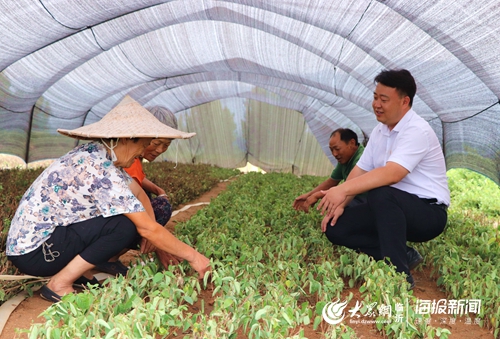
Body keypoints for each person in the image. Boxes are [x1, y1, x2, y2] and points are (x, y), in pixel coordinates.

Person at [6, 95, 210, 302]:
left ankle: (81, 274)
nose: (142, 153)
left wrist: (154, 238)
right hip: (35, 252)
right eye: (144, 145)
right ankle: (58, 284)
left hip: (35, 244)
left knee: (128, 220)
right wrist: (195, 257)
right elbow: (145, 227)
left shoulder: (99, 154)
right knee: (124, 225)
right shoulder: (101, 170)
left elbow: (138, 193)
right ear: (127, 139)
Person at [317, 69, 450, 289]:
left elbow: (392, 173)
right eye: (375, 97)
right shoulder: (380, 132)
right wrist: (341, 204)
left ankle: (399, 276)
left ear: (404, 101)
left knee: (381, 192)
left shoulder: (417, 130)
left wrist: (341, 190)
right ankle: (404, 253)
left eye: (384, 99)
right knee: (335, 227)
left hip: (428, 213)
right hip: (391, 208)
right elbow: (360, 169)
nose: (376, 104)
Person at [94, 106, 180, 276]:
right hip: (103, 222)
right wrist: (158, 242)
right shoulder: (129, 158)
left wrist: (157, 189)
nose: (160, 150)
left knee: (148, 198)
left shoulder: (134, 156)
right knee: (160, 208)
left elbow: (135, 180)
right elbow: (131, 198)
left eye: (166, 145)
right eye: (156, 143)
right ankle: (106, 258)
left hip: (102, 221)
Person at [293, 128, 365, 212]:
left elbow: (347, 188)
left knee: (335, 204)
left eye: (337, 149)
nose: (334, 154)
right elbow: (331, 182)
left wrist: (317, 196)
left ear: (352, 143)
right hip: (355, 198)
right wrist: (309, 195)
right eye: (331, 150)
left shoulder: (362, 158)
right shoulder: (345, 159)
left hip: (368, 201)